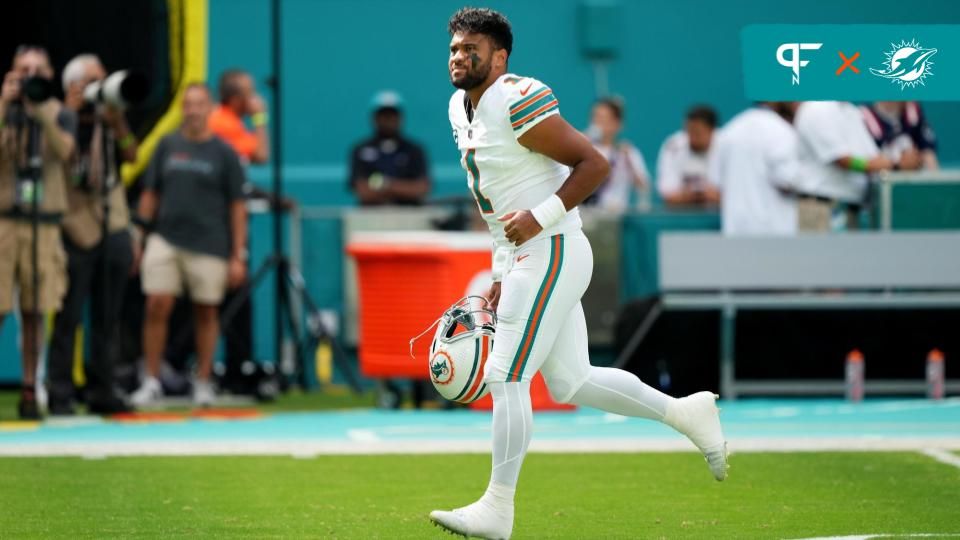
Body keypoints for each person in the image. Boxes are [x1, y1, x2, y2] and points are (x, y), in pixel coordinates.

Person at [430, 9, 728, 539]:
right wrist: (501, 266)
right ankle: (686, 413)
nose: (458, 56)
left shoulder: (515, 95)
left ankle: (498, 508)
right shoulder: (460, 105)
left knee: (506, 376)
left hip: (553, 248)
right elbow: (500, 195)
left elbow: (594, 163)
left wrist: (540, 217)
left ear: (500, 57)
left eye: (470, 48)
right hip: (527, 254)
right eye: (454, 48)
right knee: (572, 381)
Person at [130, 83, 248, 407]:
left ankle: (203, 382)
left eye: (199, 104)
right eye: (187, 105)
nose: (193, 111)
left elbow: (237, 207)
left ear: (210, 109)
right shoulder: (167, 146)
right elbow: (150, 195)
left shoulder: (224, 153)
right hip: (166, 239)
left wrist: (238, 255)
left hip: (210, 243)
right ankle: (151, 380)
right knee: (156, 303)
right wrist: (139, 237)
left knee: (207, 311)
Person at [47, 54, 139, 415]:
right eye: (91, 82)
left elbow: (130, 154)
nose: (99, 89)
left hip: (111, 224)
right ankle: (60, 391)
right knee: (68, 316)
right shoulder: (59, 116)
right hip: (73, 225)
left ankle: (103, 388)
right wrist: (69, 115)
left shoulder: (109, 118)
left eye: (103, 80)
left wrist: (117, 121)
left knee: (108, 316)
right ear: (72, 86)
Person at [0, 46, 76, 419]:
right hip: (3, 223)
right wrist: (4, 104)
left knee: (35, 311)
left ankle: (31, 388)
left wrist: (41, 113)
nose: (31, 76)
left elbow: (66, 154)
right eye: (23, 70)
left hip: (43, 224)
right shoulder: (4, 110)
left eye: (37, 71)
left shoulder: (60, 113)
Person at [793, 101, 892, 231]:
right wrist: (892, 164)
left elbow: (874, 157)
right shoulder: (815, 108)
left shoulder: (852, 111)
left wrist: (888, 163)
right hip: (819, 209)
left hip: (849, 210)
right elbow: (842, 160)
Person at [710, 103, 803, 236]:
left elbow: (716, 183)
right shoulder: (781, 130)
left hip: (735, 231)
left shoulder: (729, 131)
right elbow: (789, 181)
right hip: (776, 234)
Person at [347, 91, 430, 205]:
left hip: (408, 215)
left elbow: (421, 188)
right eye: (383, 115)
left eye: (392, 115)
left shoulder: (414, 150)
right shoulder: (360, 150)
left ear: (400, 118)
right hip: (371, 216)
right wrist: (402, 188)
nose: (388, 120)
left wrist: (384, 185)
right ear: (375, 118)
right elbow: (362, 191)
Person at [582, 97, 649, 211]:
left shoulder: (629, 152)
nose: (597, 123)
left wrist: (629, 162)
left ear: (617, 123)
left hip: (613, 218)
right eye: (595, 117)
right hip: (584, 215)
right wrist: (581, 141)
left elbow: (643, 187)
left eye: (603, 119)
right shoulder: (583, 148)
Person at [656, 105, 720, 208]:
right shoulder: (674, 146)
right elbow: (668, 195)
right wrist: (698, 196)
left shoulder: (726, 146)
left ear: (712, 131)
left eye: (697, 133)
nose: (691, 138)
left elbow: (737, 196)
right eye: (689, 132)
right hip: (681, 218)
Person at [209, 69, 269, 164]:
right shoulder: (226, 124)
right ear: (235, 100)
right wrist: (259, 117)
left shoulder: (225, 118)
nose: (256, 98)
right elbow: (261, 155)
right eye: (250, 93)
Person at [861, 101, 938, 171]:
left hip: (913, 182)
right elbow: (865, 164)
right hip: (879, 182)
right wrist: (898, 165)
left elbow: (929, 154)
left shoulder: (914, 111)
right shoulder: (863, 116)